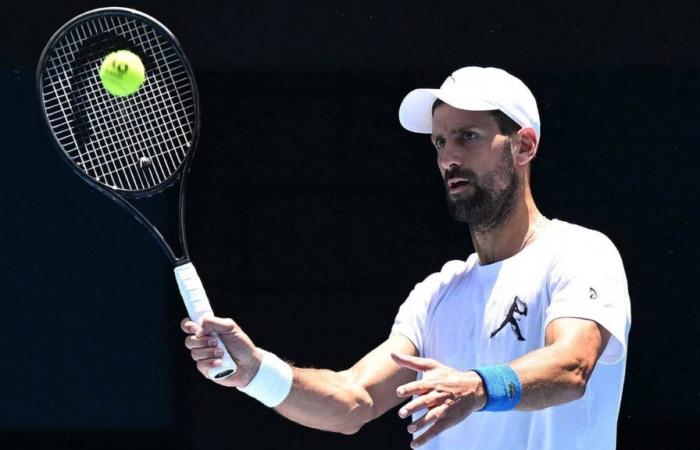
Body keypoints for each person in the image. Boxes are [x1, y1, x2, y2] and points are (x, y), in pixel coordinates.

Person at [181, 66, 631, 450]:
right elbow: (352, 400)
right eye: (439, 143)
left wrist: (477, 387)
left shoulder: (579, 251)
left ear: (523, 146)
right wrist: (255, 371)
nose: (448, 158)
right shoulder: (437, 294)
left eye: (467, 137)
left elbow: (572, 365)